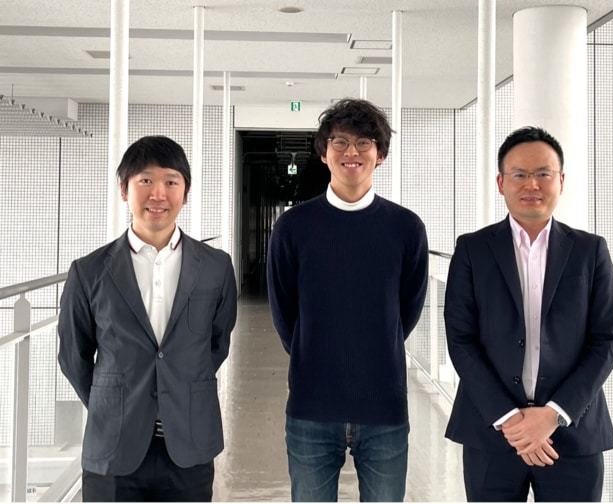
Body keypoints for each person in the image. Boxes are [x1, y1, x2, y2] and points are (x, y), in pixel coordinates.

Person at [444, 126, 613, 501]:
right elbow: (462, 341)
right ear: (500, 182)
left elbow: (606, 340)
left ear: (561, 181)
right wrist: (509, 419)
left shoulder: (590, 251)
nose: (532, 184)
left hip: (572, 435)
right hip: (491, 432)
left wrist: (554, 413)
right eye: (520, 174)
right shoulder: (472, 250)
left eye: (543, 174)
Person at [58, 135, 237, 501]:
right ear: (124, 190)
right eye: (145, 181)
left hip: (188, 444)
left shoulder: (216, 267)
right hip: (114, 448)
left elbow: (217, 343)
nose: (159, 194)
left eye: (171, 182)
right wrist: (115, 403)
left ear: (185, 193)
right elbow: (73, 355)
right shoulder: (89, 271)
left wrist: (178, 391)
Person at [267, 98, 429, 502]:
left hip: (384, 405)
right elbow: (283, 309)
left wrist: (374, 342)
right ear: (324, 153)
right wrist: (313, 349)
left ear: (381, 154)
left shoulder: (406, 228)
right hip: (311, 404)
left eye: (364, 142)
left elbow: (407, 309)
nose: (351, 152)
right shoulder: (293, 227)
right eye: (340, 142)